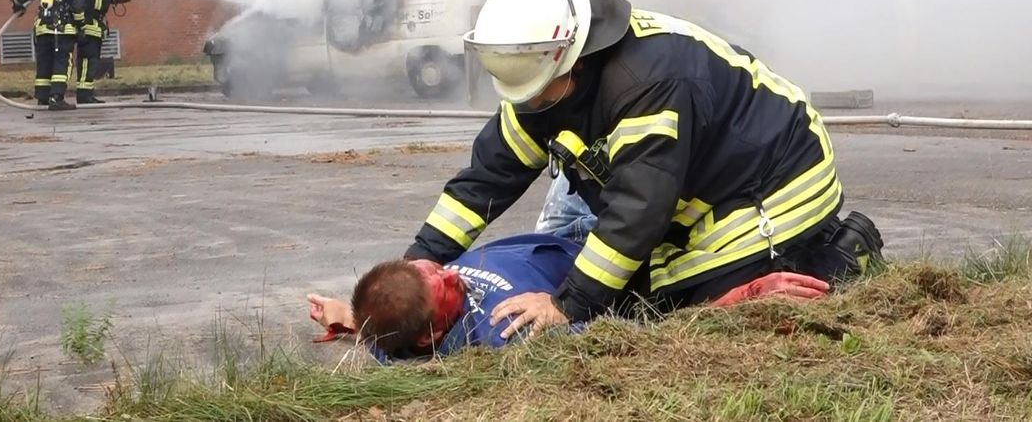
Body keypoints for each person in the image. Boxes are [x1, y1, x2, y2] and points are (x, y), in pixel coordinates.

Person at [403, 0, 884, 337]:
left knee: (673, 315)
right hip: (699, 186)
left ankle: (838, 259)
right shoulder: (544, 81)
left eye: (540, 93)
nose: (532, 104)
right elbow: (486, 180)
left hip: (775, 180)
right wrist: (414, 269)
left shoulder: (646, 81)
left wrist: (566, 305)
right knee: (629, 294)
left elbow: (639, 209)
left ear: (572, 57)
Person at [307, 233, 831, 359]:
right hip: (625, 257)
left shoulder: (392, 332)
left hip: (560, 229)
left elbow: (384, 340)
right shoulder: (507, 333)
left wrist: (350, 315)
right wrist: (745, 296)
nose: (454, 274)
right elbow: (642, 339)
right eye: (451, 290)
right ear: (432, 336)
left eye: (437, 268)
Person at [11, 0, 85, 110]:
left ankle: (42, 98)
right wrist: (81, 26)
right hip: (63, 31)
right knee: (62, 63)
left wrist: (18, 6)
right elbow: (78, 8)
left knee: (44, 63)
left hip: (42, 30)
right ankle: (56, 98)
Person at [75, 0, 137, 104]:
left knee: (93, 61)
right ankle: (83, 95)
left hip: (97, 29)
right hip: (86, 27)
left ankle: (88, 93)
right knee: (86, 61)